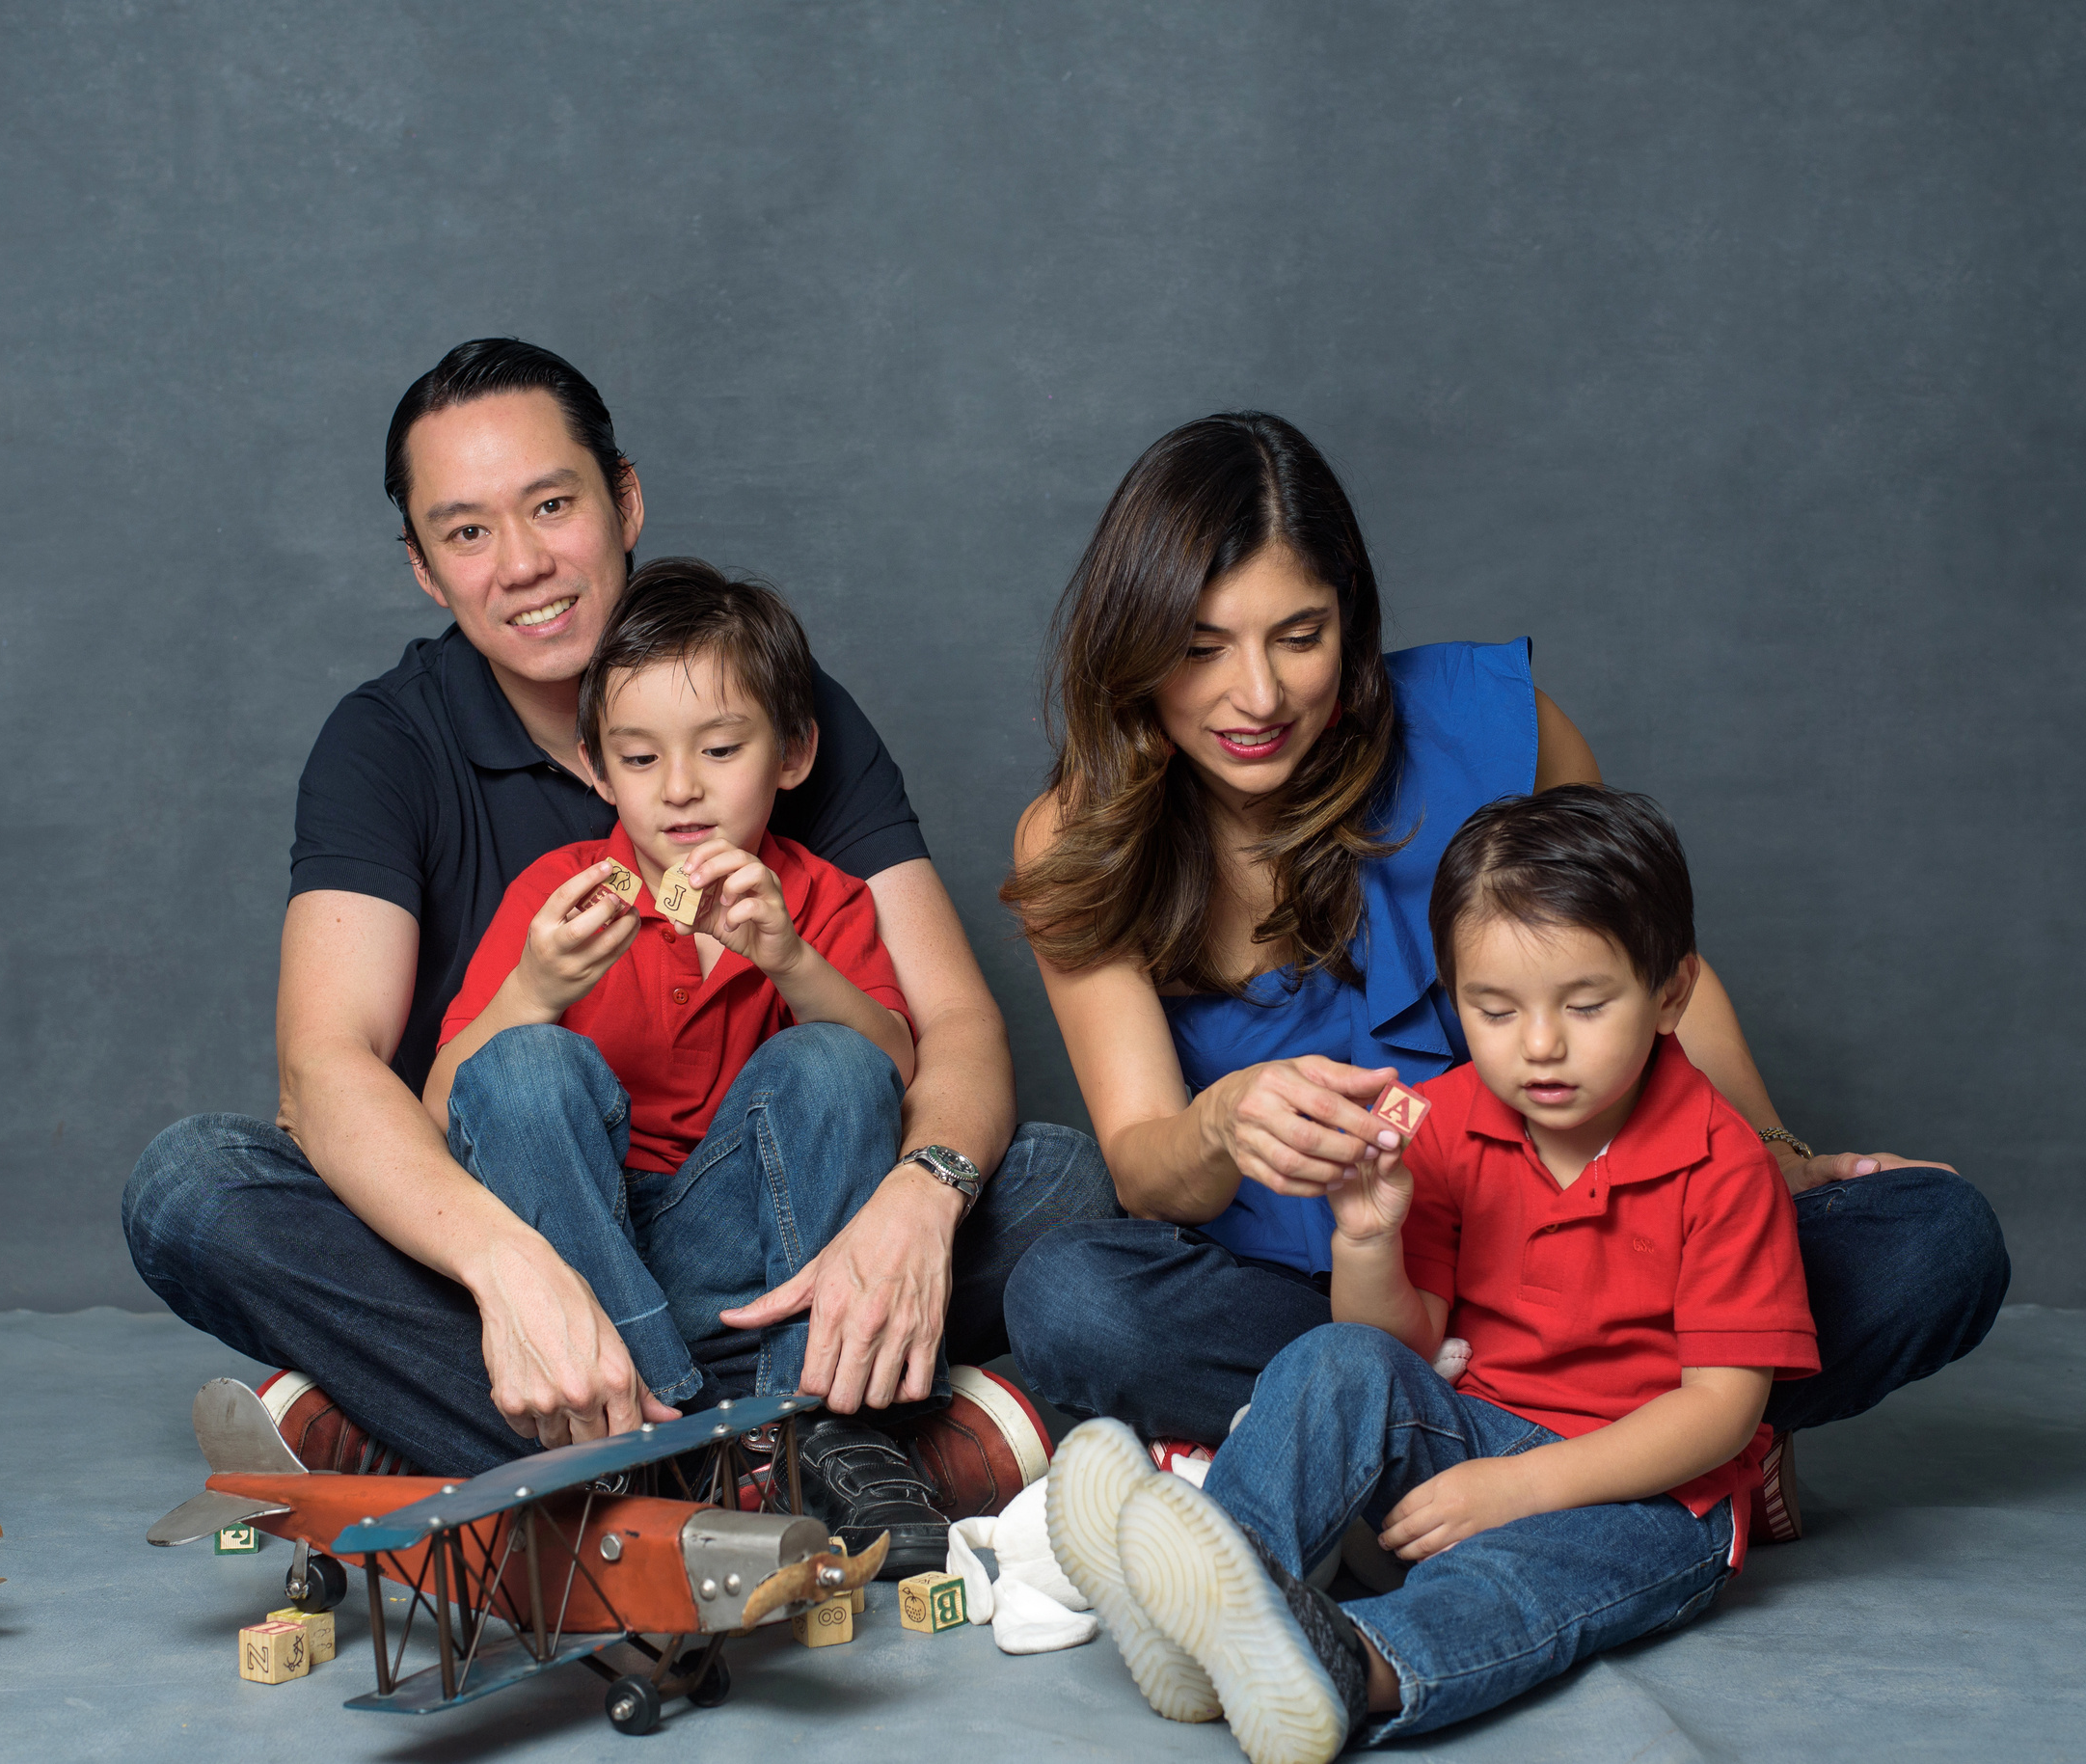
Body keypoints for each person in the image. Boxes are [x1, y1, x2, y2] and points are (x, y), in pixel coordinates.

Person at [122, 341, 1102, 1535]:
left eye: (551, 505)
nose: (524, 563)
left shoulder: (775, 699)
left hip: (770, 1230)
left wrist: (920, 1200)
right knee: (196, 1186)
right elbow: (323, 1078)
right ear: (425, 569)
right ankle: (819, 1453)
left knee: (1061, 1181)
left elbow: (946, 1030)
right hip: (511, 1223)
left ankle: (517, 1444)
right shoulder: (385, 745)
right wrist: (510, 1271)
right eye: (468, 531)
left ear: (623, 500)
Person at [1001, 411, 2005, 1536]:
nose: (1258, 695)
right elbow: (1144, 1167)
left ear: (1351, 619)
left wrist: (1780, 1154)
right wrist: (1223, 1122)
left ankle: (1501, 1452)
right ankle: (1634, 1454)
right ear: (1133, 643)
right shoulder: (1076, 838)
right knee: (1071, 1297)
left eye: (1299, 635)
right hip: (1339, 1302)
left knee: (1937, 1235)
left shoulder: (1494, 731)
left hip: (1601, 1277)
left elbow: (1651, 974)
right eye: (1199, 645)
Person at [1043, 786, 1818, 1757]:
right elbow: (1396, 1349)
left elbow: (1720, 1410)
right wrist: (1368, 1237)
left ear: (1669, 993)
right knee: (1334, 1358)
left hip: (1652, 1491)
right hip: (1472, 1429)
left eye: (1585, 1004)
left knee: (1522, 1581)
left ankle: (1342, 1666)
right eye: (1492, 1009)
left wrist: (1523, 1488)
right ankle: (1218, 1582)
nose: (1539, 1045)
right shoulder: (1446, 1119)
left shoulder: (1722, 1162)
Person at [430, 558, 951, 1568]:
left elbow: (891, 1071)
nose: (679, 789)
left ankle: (802, 1419)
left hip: (745, 1255)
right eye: (637, 758)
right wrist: (531, 990)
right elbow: (448, 1107)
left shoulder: (820, 894)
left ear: (792, 752)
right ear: (593, 765)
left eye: (720, 748)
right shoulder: (560, 894)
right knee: (519, 1065)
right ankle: (657, 1420)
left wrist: (791, 957)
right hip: (586, 1255)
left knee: (845, 1066)